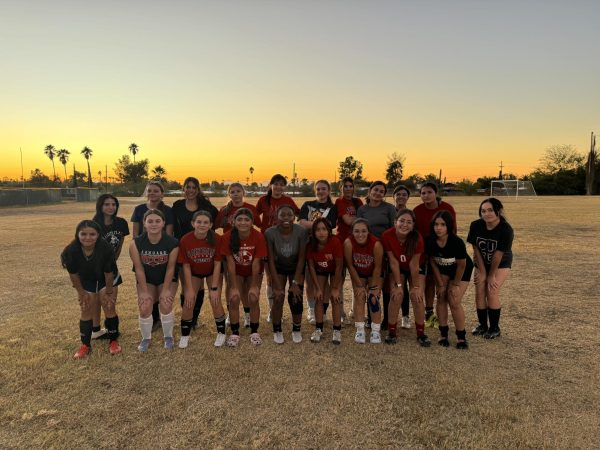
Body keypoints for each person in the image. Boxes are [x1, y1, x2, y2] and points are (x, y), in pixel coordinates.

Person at [61, 220, 121, 359]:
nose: (88, 237)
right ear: (77, 234)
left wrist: (109, 292)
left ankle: (113, 341)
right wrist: (81, 293)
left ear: (98, 235)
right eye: (83, 234)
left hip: (107, 279)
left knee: (108, 306)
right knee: (86, 308)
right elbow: (74, 275)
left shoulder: (105, 248)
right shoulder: (71, 251)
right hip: (87, 279)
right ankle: (85, 346)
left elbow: (108, 273)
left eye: (92, 234)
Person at [171, 177, 218, 330]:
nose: (190, 190)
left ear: (198, 190)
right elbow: (171, 227)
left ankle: (194, 320)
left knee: (200, 287)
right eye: (187, 187)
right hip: (184, 249)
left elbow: (216, 220)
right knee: (187, 287)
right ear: (183, 188)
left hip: (203, 250)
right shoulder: (177, 205)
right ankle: (188, 317)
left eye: (193, 187)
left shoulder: (205, 205)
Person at [129, 209, 179, 352]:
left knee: (165, 303)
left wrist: (165, 290)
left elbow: (171, 269)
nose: (154, 224)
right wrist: (144, 292)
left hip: (167, 279)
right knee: (145, 306)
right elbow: (138, 269)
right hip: (148, 279)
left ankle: (168, 336)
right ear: (144, 223)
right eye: (150, 221)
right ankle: (146, 338)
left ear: (163, 223)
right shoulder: (136, 243)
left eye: (157, 221)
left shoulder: (173, 242)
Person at [381, 209, 431, 347]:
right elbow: (393, 262)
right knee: (396, 296)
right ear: (395, 222)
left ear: (413, 225)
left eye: (409, 222)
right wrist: (398, 286)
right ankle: (392, 332)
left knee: (417, 296)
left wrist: (415, 287)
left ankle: (421, 333)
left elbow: (414, 264)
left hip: (415, 267)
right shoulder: (387, 235)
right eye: (401, 221)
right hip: (398, 267)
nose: (405, 224)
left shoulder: (417, 237)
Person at [215, 183, 262, 328]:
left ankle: (248, 315)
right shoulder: (224, 210)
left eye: (238, 191)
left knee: (248, 287)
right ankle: (232, 311)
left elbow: (260, 226)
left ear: (243, 192)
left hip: (247, 249)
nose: (235, 194)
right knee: (231, 283)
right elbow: (214, 227)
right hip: (230, 251)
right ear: (229, 194)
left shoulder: (251, 208)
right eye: (232, 192)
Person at [131, 181, 176, 330]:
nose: (152, 193)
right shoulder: (139, 209)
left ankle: (161, 320)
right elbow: (135, 233)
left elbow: (169, 233)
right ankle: (153, 319)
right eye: (149, 190)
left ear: (162, 194)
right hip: (145, 251)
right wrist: (141, 248)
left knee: (162, 291)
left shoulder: (167, 210)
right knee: (148, 289)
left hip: (162, 251)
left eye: (156, 191)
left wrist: (162, 246)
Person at [220, 208, 268, 347]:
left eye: (247, 220)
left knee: (253, 298)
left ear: (252, 222)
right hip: (237, 272)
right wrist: (233, 286)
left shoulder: (258, 236)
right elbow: (230, 264)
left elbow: (256, 263)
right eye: (239, 219)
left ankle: (254, 331)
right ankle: (235, 333)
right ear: (233, 221)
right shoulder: (227, 237)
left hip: (253, 272)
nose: (243, 222)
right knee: (234, 299)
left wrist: (254, 285)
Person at [467, 198, 514, 339]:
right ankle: (483, 325)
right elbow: (475, 249)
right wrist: (481, 271)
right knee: (479, 290)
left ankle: (494, 328)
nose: (486, 214)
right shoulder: (476, 225)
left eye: (490, 210)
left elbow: (498, 255)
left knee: (491, 290)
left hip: (500, 263)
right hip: (481, 261)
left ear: (498, 211)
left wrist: (491, 275)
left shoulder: (506, 229)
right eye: (483, 211)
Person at [256, 174, 300, 324]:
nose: (279, 187)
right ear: (271, 185)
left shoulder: (288, 200)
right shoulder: (263, 200)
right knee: (270, 278)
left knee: (280, 275)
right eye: (276, 184)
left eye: (282, 184)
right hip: (267, 242)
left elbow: (299, 213)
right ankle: (272, 310)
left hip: (283, 242)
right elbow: (255, 217)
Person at [178, 211, 226, 348]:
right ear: (193, 223)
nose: (202, 225)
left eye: (206, 222)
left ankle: (221, 333)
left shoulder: (216, 238)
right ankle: (185, 335)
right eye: (199, 222)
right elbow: (186, 266)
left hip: (212, 271)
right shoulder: (185, 239)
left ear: (211, 225)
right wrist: (188, 289)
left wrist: (215, 288)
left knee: (215, 299)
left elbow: (217, 264)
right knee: (189, 301)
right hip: (193, 272)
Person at [426, 211, 472, 349]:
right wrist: (440, 285)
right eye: (436, 224)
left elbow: (462, 265)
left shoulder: (456, 242)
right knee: (441, 297)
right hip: (443, 268)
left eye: (443, 225)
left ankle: (461, 336)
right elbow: (433, 262)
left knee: (454, 299)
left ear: (449, 226)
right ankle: (443, 333)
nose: (439, 228)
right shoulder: (430, 241)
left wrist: (455, 285)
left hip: (460, 270)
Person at [413, 182, 457, 328]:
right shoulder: (417, 211)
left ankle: (442, 316)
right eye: (423, 193)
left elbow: (453, 232)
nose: (426, 195)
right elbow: (415, 234)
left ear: (436, 193)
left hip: (442, 252)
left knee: (442, 284)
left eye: (429, 192)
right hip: (425, 253)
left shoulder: (447, 208)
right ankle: (429, 314)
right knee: (429, 282)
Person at [265, 205, 308, 344]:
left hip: (296, 267)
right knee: (278, 296)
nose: (286, 218)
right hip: (278, 267)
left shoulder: (301, 231)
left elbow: (302, 258)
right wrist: (277, 285)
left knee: (296, 297)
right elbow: (270, 260)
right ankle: (277, 330)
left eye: (289, 215)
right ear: (277, 218)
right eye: (282, 215)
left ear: (294, 217)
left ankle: (296, 329)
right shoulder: (270, 233)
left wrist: (295, 283)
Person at [356, 181, 396, 329]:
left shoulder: (389, 208)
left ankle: (386, 319)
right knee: (370, 284)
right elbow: (358, 229)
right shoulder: (362, 209)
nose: (378, 193)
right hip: (366, 251)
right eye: (376, 190)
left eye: (381, 191)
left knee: (384, 286)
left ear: (384, 195)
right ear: (370, 191)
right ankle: (370, 318)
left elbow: (394, 230)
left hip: (386, 250)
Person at [90, 194, 129, 340]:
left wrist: (113, 261)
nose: (111, 207)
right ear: (100, 206)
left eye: (113, 204)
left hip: (110, 267)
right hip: (94, 267)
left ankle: (112, 330)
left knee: (109, 301)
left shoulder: (121, 223)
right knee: (95, 300)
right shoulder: (94, 223)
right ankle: (95, 330)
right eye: (107, 204)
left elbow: (119, 245)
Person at [299, 180, 338, 325]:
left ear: (328, 191)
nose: (320, 191)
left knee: (325, 281)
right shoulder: (307, 204)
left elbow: (329, 226)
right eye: (318, 189)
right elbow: (301, 223)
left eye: (323, 189)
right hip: (308, 245)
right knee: (310, 279)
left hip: (325, 246)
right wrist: (319, 225)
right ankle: (311, 309)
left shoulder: (332, 208)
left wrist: (314, 227)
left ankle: (323, 310)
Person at [343, 219, 384, 344]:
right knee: (359, 295)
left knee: (373, 298)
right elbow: (350, 265)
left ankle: (375, 330)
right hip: (359, 272)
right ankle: (360, 329)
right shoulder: (348, 242)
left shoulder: (376, 243)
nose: (360, 234)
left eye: (363, 231)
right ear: (352, 232)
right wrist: (359, 286)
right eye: (356, 231)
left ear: (368, 232)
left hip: (374, 273)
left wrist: (373, 288)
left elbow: (378, 267)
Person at [306, 218, 344, 344]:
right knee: (319, 297)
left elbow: (339, 266)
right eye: (317, 230)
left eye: (324, 229)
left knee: (335, 298)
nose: (321, 232)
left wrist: (334, 288)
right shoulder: (311, 244)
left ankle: (337, 330)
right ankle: (319, 328)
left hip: (335, 270)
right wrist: (317, 288)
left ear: (329, 231)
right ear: (313, 232)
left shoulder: (335, 242)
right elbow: (311, 266)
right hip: (320, 269)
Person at [392, 184, 412, 330]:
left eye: (404, 194)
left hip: (407, 254)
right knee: (391, 286)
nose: (401, 197)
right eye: (398, 194)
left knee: (404, 285)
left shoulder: (410, 213)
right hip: (391, 252)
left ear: (408, 197)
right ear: (394, 196)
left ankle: (405, 316)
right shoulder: (388, 210)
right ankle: (388, 317)